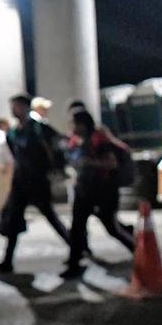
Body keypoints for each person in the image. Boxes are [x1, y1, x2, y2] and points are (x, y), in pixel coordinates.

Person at [0, 93, 73, 273]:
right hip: (21, 181)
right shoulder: (13, 132)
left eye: (16, 106)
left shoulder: (38, 128)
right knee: (13, 219)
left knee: (50, 216)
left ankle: (76, 249)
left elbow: (57, 144)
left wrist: (53, 169)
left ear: (25, 107)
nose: (13, 110)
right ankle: (7, 259)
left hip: (37, 180)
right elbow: (15, 153)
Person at [62, 111, 135, 278]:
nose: (71, 126)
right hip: (83, 190)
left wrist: (89, 163)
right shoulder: (74, 141)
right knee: (77, 228)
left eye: (73, 123)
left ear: (81, 124)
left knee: (111, 227)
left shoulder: (98, 140)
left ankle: (139, 250)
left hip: (103, 190)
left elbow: (111, 163)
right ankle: (73, 266)